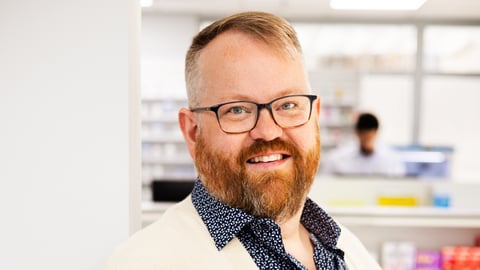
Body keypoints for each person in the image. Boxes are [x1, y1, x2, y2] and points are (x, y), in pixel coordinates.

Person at [104, 12, 381, 270]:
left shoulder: (347, 248)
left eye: (288, 105)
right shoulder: (143, 262)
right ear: (192, 131)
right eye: (237, 109)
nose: (268, 131)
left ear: (315, 116)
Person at [321, 112, 405, 177]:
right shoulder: (338, 158)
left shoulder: (391, 159)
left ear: (376, 133)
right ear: (357, 133)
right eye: (364, 138)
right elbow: (327, 182)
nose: (367, 143)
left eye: (369, 138)